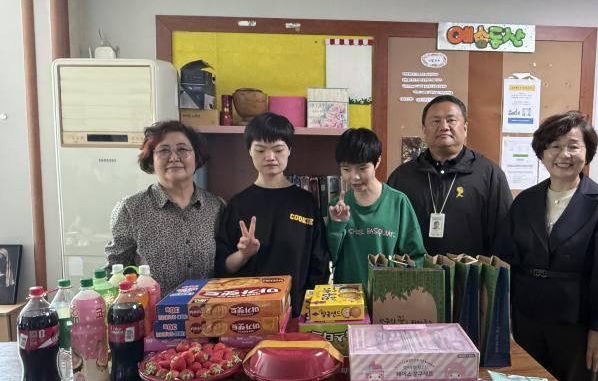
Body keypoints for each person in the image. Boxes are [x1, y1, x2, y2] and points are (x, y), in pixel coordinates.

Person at [496, 111, 598, 381]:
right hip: (527, 315)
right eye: (554, 145)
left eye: (573, 146)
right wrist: (503, 315)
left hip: (577, 321)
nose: (563, 154)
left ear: (587, 152)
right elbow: (506, 259)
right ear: (542, 153)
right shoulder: (525, 201)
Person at [214, 113, 329, 316]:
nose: (270, 157)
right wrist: (243, 254)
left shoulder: (306, 203)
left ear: (289, 150)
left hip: (296, 313)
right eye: (260, 150)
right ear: (249, 151)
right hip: (247, 315)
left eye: (278, 149)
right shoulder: (237, 205)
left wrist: (309, 312)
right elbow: (222, 268)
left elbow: (319, 265)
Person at [105, 120, 223, 296]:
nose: (174, 157)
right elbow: (114, 273)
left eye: (182, 149)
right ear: (151, 160)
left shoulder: (215, 207)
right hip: (152, 311)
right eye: (163, 150)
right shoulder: (130, 209)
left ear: (196, 157)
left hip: (206, 310)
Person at [387, 95, 513, 256]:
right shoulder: (402, 177)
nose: (444, 127)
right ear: (424, 129)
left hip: (470, 271)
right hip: (416, 271)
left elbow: (504, 237)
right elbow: (390, 234)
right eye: (436, 121)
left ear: (465, 128)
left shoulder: (490, 175)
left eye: (451, 120)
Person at [327, 128, 425, 290]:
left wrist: (402, 290)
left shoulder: (398, 202)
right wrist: (337, 226)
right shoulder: (337, 206)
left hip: (388, 297)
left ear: (377, 162)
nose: (354, 177)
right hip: (347, 297)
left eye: (362, 168)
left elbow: (416, 256)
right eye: (346, 169)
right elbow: (330, 257)